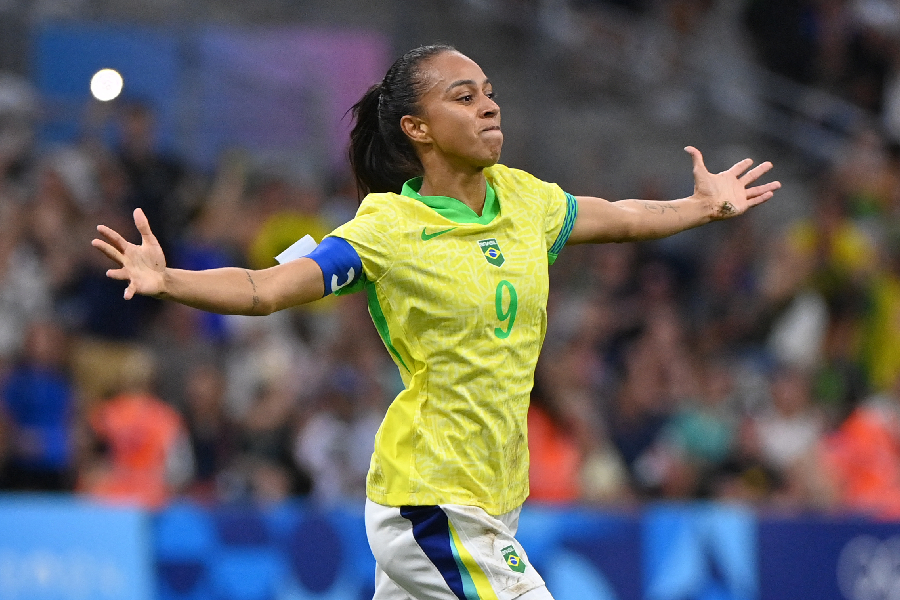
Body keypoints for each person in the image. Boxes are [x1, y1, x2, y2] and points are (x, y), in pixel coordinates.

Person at [92, 44, 780, 600]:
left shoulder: (524, 199)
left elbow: (624, 216)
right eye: (463, 96)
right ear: (416, 129)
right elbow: (265, 288)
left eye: (487, 91)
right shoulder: (389, 227)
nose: (488, 105)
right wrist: (167, 278)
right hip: (432, 496)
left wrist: (702, 207)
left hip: (494, 495)